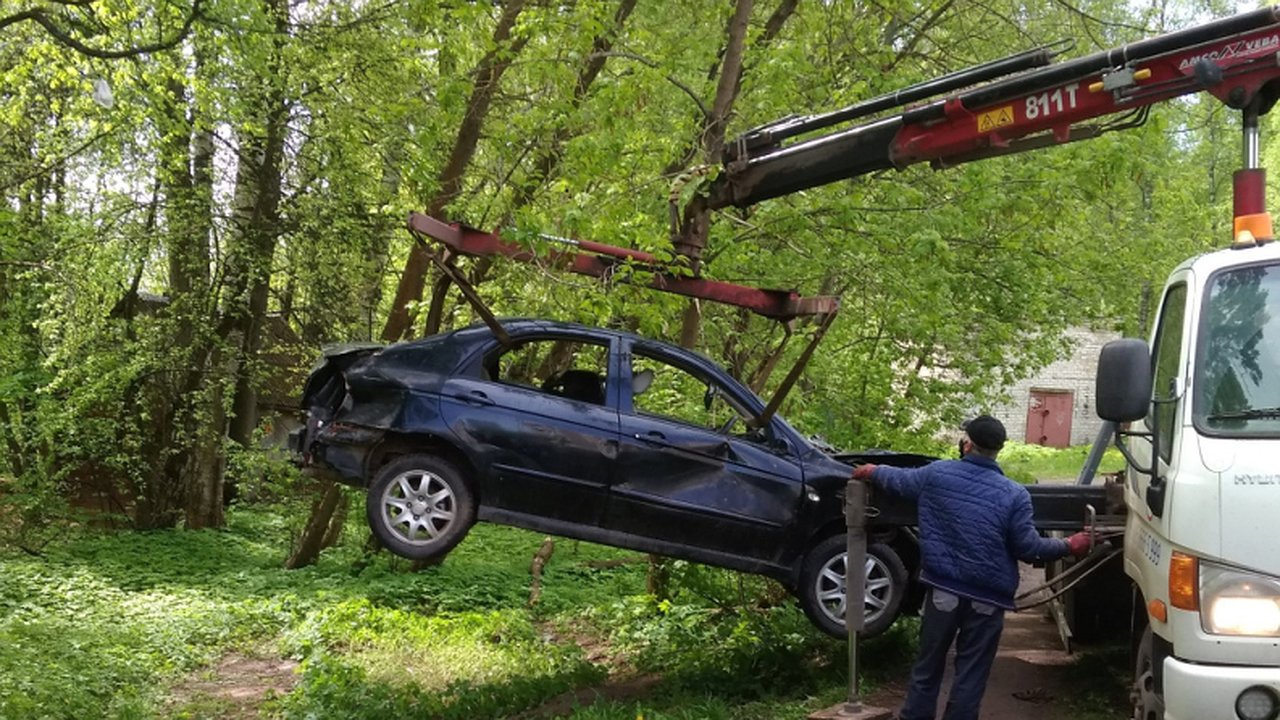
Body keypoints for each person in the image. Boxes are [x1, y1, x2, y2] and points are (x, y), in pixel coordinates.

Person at [851, 415, 1091, 720]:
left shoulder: (936, 475)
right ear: (998, 450)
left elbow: (898, 480)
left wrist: (872, 470)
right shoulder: (1014, 495)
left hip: (943, 591)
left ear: (967, 444)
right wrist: (1071, 545)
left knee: (929, 666)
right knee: (971, 673)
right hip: (988, 600)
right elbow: (1029, 547)